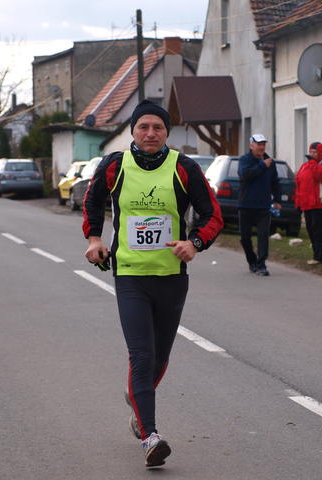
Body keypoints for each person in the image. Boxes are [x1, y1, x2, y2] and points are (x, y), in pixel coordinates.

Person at [83, 100, 223, 468]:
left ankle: (136, 399)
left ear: (166, 133)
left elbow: (212, 215)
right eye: (143, 127)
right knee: (141, 356)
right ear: (132, 130)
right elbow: (92, 201)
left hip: (171, 277)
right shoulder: (115, 166)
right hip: (130, 275)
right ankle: (151, 436)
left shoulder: (184, 167)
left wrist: (194, 243)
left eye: (157, 127)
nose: (150, 133)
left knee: (159, 357)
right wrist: (94, 238)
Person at [237, 134, 282, 276]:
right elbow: (245, 175)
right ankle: (252, 261)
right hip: (246, 205)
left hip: (263, 206)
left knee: (263, 236)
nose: (262, 147)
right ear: (251, 146)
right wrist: (262, 165)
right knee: (245, 238)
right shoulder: (245, 160)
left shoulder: (270, 162)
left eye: (263, 144)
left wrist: (277, 200)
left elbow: (275, 182)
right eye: (259, 144)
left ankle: (262, 265)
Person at [295, 142, 322, 264]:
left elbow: (319, 176)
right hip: (307, 203)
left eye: (314, 152)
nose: (312, 154)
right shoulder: (305, 166)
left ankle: (320, 257)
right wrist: (298, 202)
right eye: (310, 152)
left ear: (320, 153)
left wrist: (312, 162)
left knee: (317, 230)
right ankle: (317, 254)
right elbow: (299, 182)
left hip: (318, 204)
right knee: (310, 229)